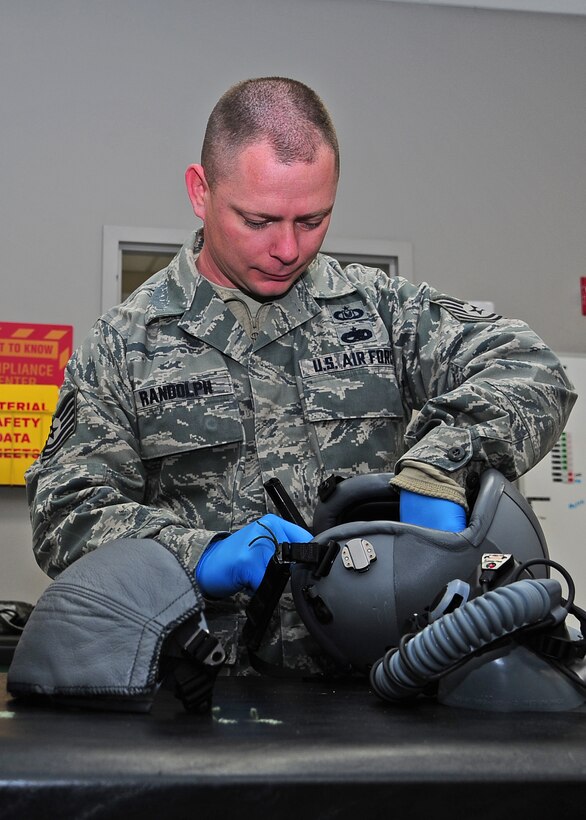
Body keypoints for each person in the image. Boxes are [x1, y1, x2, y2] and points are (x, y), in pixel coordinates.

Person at [26, 77, 576, 675]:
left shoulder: (381, 313)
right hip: (205, 689)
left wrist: (440, 463)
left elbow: (531, 367)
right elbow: (66, 513)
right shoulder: (123, 346)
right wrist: (200, 552)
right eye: (258, 220)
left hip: (382, 678)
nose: (288, 247)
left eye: (313, 219)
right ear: (200, 191)